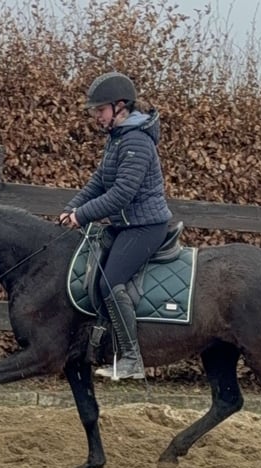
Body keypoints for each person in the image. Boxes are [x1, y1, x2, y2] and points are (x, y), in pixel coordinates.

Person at [60, 72, 172, 380]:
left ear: (120, 106)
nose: (96, 116)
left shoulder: (136, 141)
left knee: (110, 282)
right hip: (126, 225)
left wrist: (82, 216)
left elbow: (122, 193)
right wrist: (72, 207)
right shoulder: (118, 138)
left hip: (146, 226)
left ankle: (132, 358)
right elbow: (99, 181)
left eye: (100, 110)